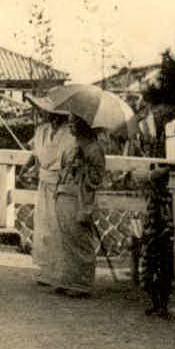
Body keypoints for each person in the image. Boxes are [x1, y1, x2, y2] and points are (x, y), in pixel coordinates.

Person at [53, 115, 107, 298]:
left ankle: (83, 282)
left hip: (80, 197)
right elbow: (61, 169)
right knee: (66, 238)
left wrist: (83, 167)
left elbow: (97, 178)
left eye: (74, 122)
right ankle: (67, 278)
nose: (70, 125)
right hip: (64, 193)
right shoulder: (71, 148)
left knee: (80, 239)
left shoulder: (94, 149)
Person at [23, 98, 75, 288]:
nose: (43, 114)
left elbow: (69, 159)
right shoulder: (41, 131)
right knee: (44, 226)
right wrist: (25, 168)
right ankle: (46, 270)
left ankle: (63, 274)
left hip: (60, 183)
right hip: (44, 182)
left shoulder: (70, 133)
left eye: (46, 111)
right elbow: (36, 154)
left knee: (59, 228)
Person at [140, 165, 174, 316]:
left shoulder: (164, 199)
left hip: (159, 239)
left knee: (162, 273)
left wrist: (160, 235)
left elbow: (168, 221)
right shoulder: (153, 198)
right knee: (148, 273)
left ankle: (162, 306)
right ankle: (157, 304)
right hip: (151, 238)